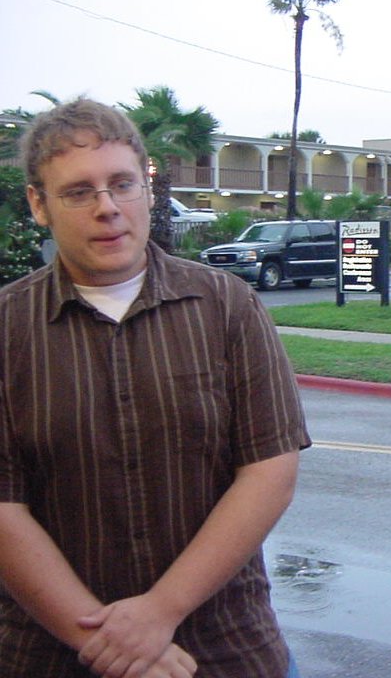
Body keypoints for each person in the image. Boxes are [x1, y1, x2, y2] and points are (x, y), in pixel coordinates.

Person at [0, 98, 310, 677]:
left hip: (225, 648)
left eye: (122, 184)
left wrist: (159, 613)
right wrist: (113, 645)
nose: (107, 208)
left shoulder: (227, 306)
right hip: (52, 655)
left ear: (146, 188)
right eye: (78, 192)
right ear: (39, 205)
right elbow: (3, 510)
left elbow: (270, 470)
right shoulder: (7, 327)